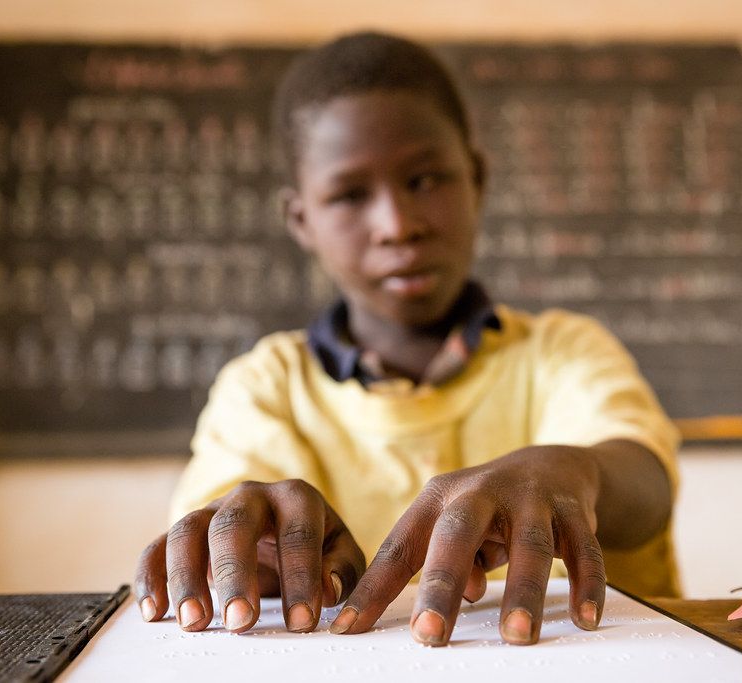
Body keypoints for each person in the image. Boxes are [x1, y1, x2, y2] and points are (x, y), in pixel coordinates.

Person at [134, 31, 680, 647]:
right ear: (301, 221)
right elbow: (224, 543)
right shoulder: (265, 387)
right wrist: (250, 554)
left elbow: (646, 484)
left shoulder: (563, 350)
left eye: (425, 180)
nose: (398, 225)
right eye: (349, 195)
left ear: (476, 179)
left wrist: (571, 470)